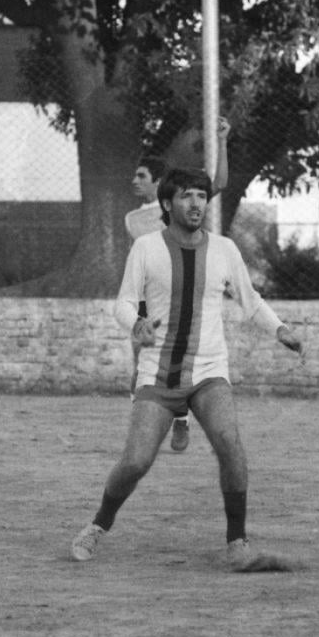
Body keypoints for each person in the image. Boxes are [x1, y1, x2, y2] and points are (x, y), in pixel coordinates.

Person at [73, 166, 303, 568]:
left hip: (209, 372)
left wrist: (280, 329)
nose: (196, 203)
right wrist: (137, 324)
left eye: (201, 195)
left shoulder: (225, 249)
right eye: (186, 196)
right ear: (167, 203)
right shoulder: (146, 247)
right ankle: (98, 524)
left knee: (231, 446)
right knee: (136, 462)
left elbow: (251, 301)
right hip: (158, 374)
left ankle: (238, 541)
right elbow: (124, 303)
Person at [124, 117, 232, 453]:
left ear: (159, 183)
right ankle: (148, 423)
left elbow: (220, 182)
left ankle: (181, 417)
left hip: (184, 294)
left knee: (182, 353)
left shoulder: (182, 207)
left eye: (142, 176)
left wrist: (223, 140)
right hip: (149, 298)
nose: (134, 181)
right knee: (142, 357)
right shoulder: (133, 219)